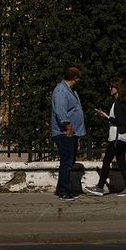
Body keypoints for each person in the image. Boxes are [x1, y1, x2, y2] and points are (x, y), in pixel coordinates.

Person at [92, 78, 126, 196]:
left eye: (112, 87)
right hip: (122, 137)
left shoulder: (118, 104)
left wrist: (106, 116)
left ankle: (100, 188)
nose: (110, 89)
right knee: (121, 162)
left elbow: (120, 122)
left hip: (117, 138)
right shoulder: (121, 103)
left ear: (117, 89)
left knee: (106, 161)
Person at [51, 65, 86, 200]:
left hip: (72, 132)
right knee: (66, 162)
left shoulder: (70, 91)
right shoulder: (61, 90)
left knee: (69, 162)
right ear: (75, 78)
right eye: (79, 78)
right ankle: (62, 191)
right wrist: (67, 126)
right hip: (65, 133)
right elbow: (60, 110)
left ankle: (64, 189)